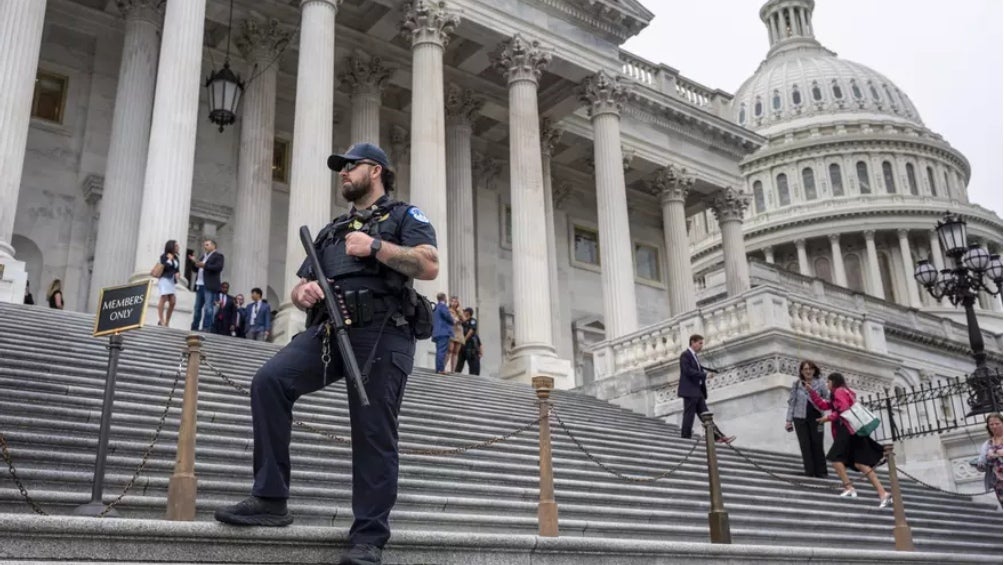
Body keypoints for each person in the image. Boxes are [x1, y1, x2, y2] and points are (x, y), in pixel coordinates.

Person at [214, 142, 438, 565]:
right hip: (329, 329)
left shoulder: (405, 216)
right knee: (269, 381)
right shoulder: (331, 231)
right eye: (341, 168)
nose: (343, 174)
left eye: (350, 167)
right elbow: (301, 287)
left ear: (375, 170)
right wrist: (303, 293)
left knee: (373, 429)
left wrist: (375, 248)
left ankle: (368, 537)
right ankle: (270, 498)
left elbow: (428, 265)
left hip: (382, 332)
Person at [806, 372, 891, 508]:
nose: (827, 384)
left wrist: (826, 419)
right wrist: (812, 393)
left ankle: (849, 487)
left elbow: (843, 410)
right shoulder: (841, 393)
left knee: (835, 458)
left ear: (833, 382)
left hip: (847, 430)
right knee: (860, 464)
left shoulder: (839, 392)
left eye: (828, 382)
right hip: (854, 431)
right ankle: (883, 493)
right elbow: (824, 405)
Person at [677, 334, 735, 444]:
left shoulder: (694, 356)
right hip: (690, 391)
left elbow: (695, 370)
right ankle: (685, 438)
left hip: (697, 391)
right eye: (700, 343)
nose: (701, 346)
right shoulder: (685, 355)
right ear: (693, 342)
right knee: (689, 415)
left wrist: (706, 373)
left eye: (701, 343)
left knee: (706, 415)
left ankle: (718, 437)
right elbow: (687, 371)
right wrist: (705, 375)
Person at [785, 360, 829, 478]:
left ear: (814, 370)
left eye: (810, 369)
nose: (808, 371)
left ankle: (821, 471)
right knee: (805, 444)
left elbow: (828, 399)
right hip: (799, 418)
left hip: (817, 418)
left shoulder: (820, 383)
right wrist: (788, 420)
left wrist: (813, 393)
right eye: (805, 369)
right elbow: (792, 402)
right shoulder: (797, 384)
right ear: (801, 371)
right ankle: (809, 471)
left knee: (817, 443)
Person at [191, 238, 224, 331]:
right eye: (204, 244)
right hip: (199, 285)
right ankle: (195, 327)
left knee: (208, 308)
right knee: (197, 308)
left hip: (209, 285)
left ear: (214, 246)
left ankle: (206, 327)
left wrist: (204, 265)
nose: (205, 246)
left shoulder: (218, 256)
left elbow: (218, 267)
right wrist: (194, 262)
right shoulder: (202, 256)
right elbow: (195, 270)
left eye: (207, 244)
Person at [976, 412, 1003, 507]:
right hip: (998, 482)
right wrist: (980, 464)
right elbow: (982, 463)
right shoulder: (987, 444)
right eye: (991, 424)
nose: (994, 427)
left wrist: (997, 453)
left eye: (997, 423)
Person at [156, 239, 181, 326]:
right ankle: (161, 320)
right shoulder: (164, 256)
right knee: (163, 298)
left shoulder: (177, 258)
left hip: (171, 281)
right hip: (164, 279)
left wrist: (177, 273)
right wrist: (169, 260)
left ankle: (167, 321)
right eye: (176, 246)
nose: (178, 247)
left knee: (173, 301)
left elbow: (176, 269)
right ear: (171, 247)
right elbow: (165, 267)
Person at [454, 307, 482, 375]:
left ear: (468, 313)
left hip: (471, 347)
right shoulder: (461, 321)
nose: (463, 313)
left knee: (473, 367)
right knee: (459, 365)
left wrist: (464, 339)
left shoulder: (472, 321)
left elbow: (471, 331)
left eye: (465, 312)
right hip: (462, 346)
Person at [432, 293, 453, 374]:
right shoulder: (443, 306)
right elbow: (447, 316)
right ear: (444, 298)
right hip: (443, 332)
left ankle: (438, 369)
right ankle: (441, 369)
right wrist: (453, 320)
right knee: (442, 351)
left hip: (436, 332)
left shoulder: (436, 307)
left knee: (439, 351)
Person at [445, 296, 465, 372]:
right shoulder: (448, 310)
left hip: (459, 331)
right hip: (451, 330)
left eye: (455, 302)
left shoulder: (459, 311)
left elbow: (464, 319)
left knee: (456, 352)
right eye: (452, 301)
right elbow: (451, 320)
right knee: (450, 349)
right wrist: (456, 320)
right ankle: (443, 366)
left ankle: (453, 370)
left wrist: (459, 312)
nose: (453, 303)